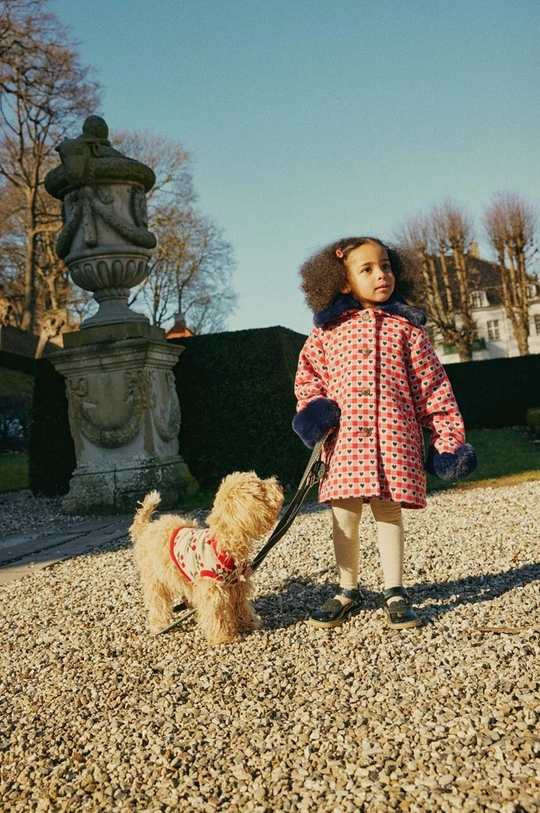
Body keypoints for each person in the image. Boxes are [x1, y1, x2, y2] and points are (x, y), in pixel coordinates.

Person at [293, 236, 477, 630]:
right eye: (368, 269)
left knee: (389, 512)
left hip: (396, 438)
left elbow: (434, 390)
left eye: (387, 266)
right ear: (343, 282)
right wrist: (315, 410)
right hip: (344, 443)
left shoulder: (407, 331)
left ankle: (394, 590)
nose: (382, 275)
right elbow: (308, 376)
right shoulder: (326, 333)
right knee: (344, 515)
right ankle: (347, 589)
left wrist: (447, 441)